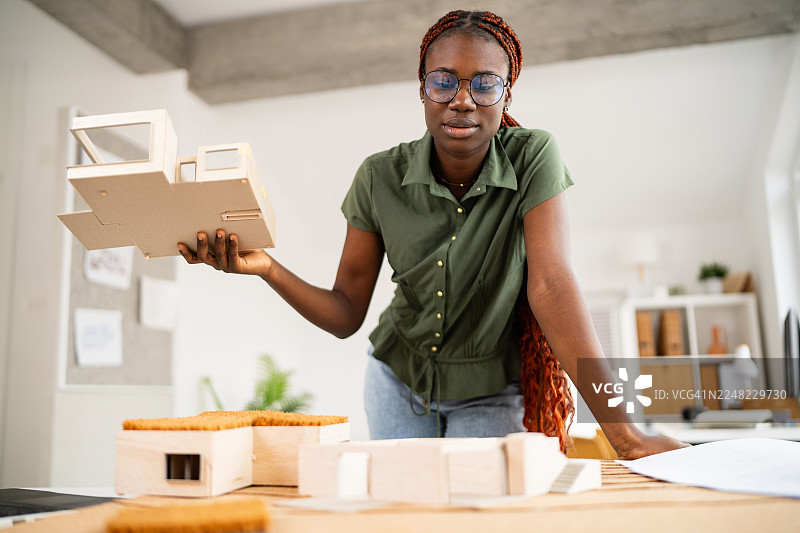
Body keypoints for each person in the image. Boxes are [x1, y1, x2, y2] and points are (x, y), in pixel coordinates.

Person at [178, 9, 686, 459]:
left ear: (506, 92)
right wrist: (266, 266)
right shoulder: (378, 177)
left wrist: (624, 434)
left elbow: (551, 285)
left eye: (484, 84)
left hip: (493, 392)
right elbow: (345, 313)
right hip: (396, 384)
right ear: (422, 88)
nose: (462, 101)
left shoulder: (534, 157)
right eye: (443, 81)